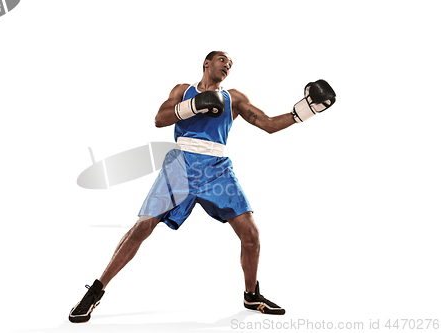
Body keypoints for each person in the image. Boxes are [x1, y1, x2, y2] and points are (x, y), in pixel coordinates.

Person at [68, 51, 336, 323]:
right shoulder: (183, 91)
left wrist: (307, 109)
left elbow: (268, 124)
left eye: (230, 64)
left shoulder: (235, 98)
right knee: (142, 226)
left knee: (251, 234)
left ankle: (251, 295)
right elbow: (159, 120)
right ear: (207, 63)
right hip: (181, 166)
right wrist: (193, 106)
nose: (227, 65)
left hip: (217, 170)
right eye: (222, 59)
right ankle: (96, 292)